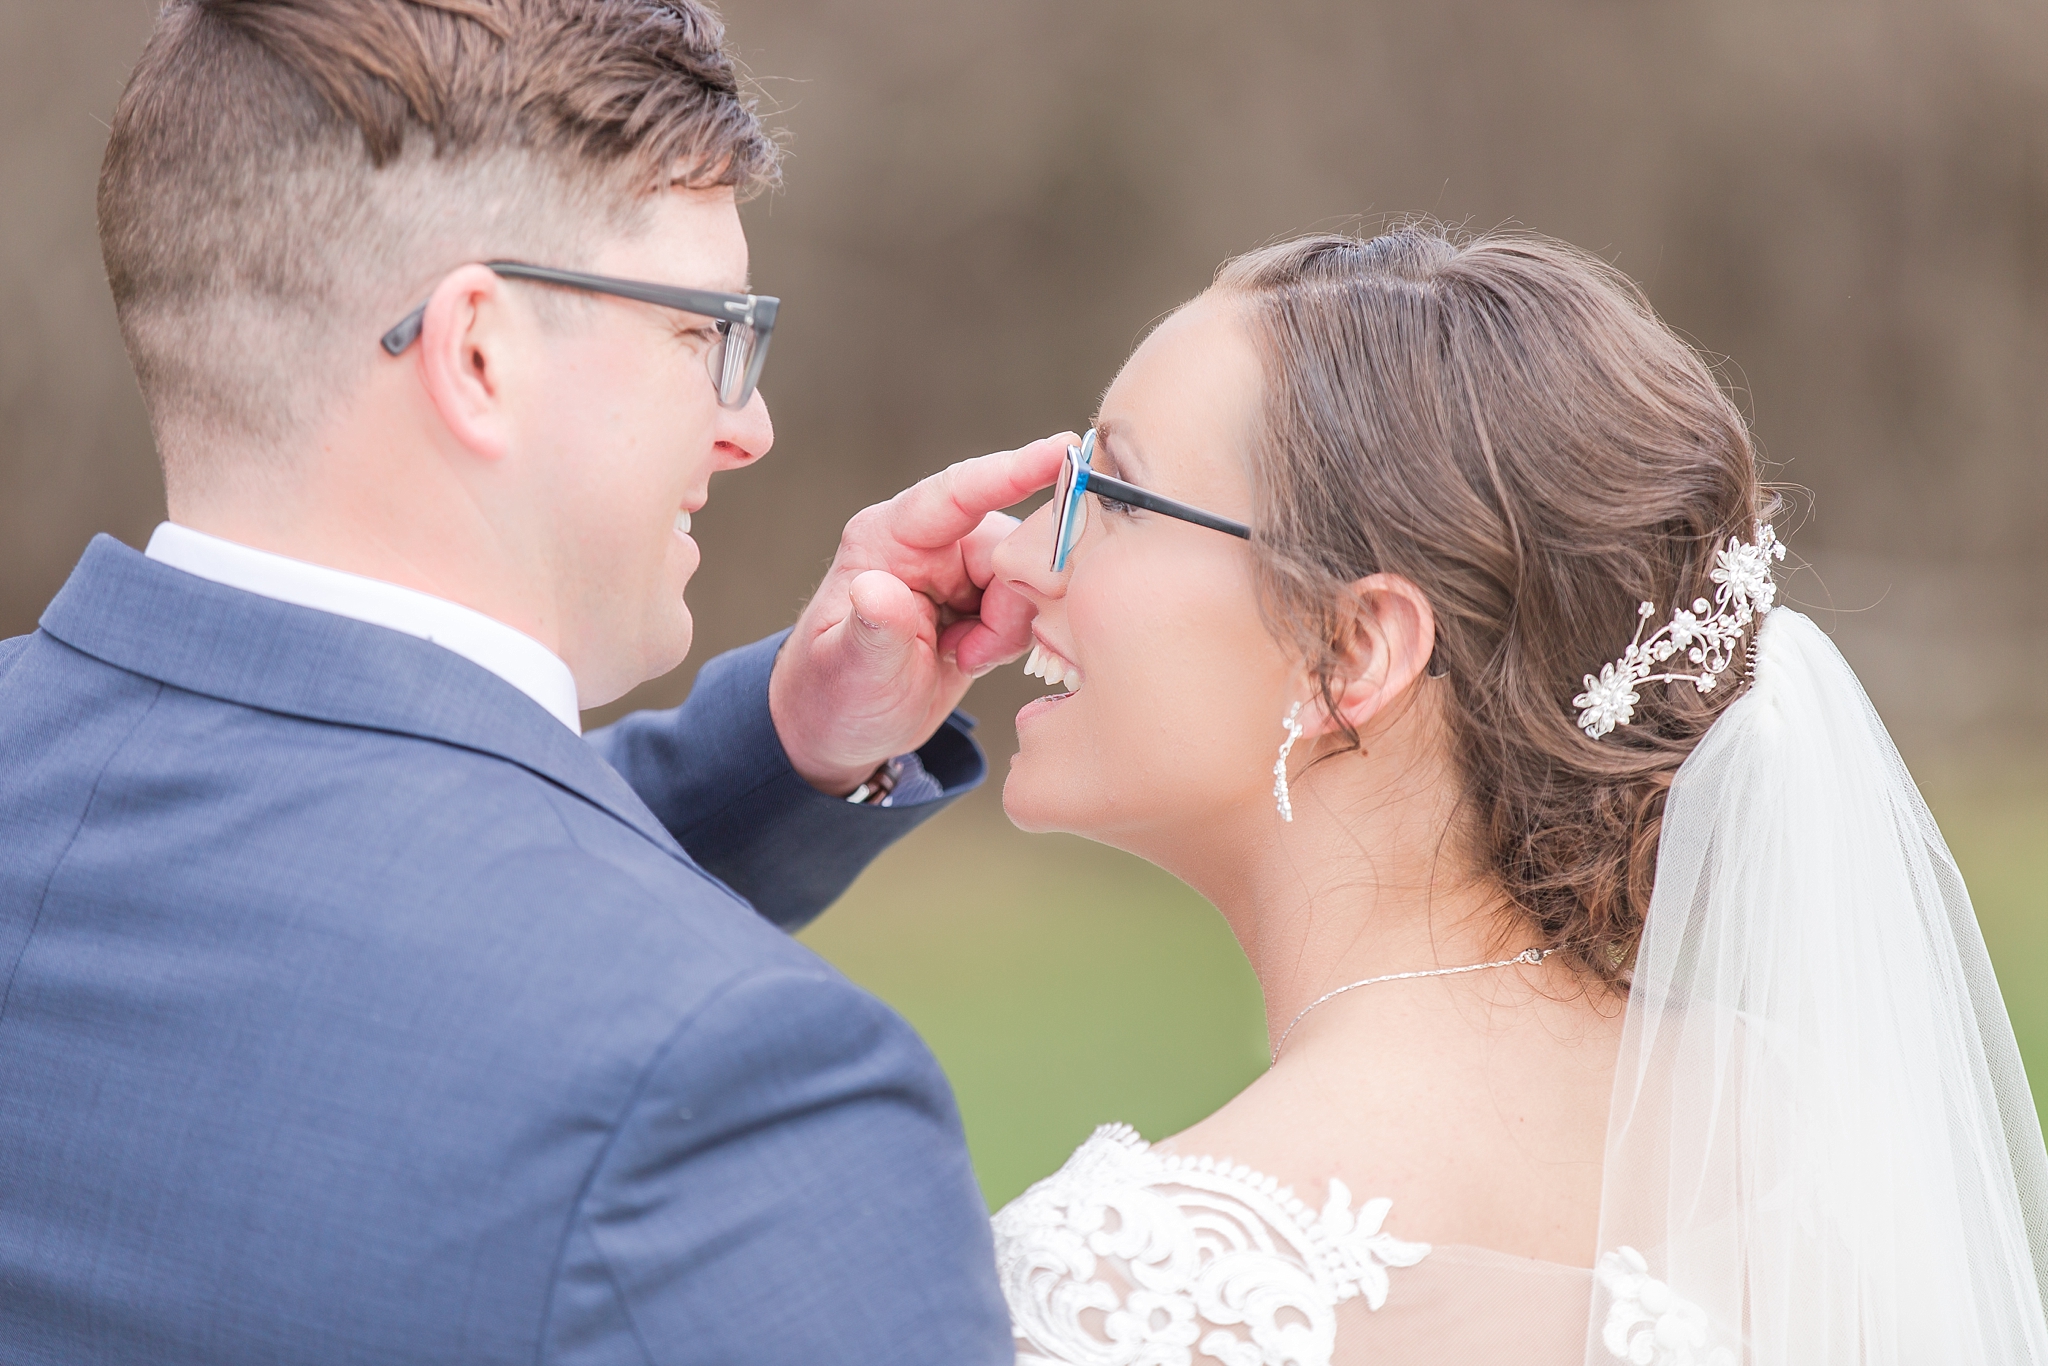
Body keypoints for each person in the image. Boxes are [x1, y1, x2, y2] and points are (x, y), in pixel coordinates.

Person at [0, 2, 1059, 1362]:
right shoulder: (735, 1089)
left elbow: (322, 865)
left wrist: (788, 749)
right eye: (710, 333)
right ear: (480, 353)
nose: (750, 424)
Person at [984, 226, 2048, 1365]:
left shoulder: (1127, 1282)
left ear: (1351, 652)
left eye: (1115, 493)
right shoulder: (1825, 1134)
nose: (1010, 554)